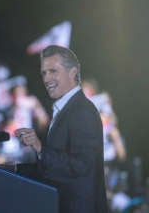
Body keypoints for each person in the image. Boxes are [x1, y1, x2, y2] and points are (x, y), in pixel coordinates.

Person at [15, 45, 108, 213]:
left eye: (53, 71)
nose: (46, 78)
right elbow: (54, 169)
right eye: (44, 73)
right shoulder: (65, 110)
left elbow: (80, 166)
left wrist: (40, 148)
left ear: (73, 73)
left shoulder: (82, 111)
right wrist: (13, 170)